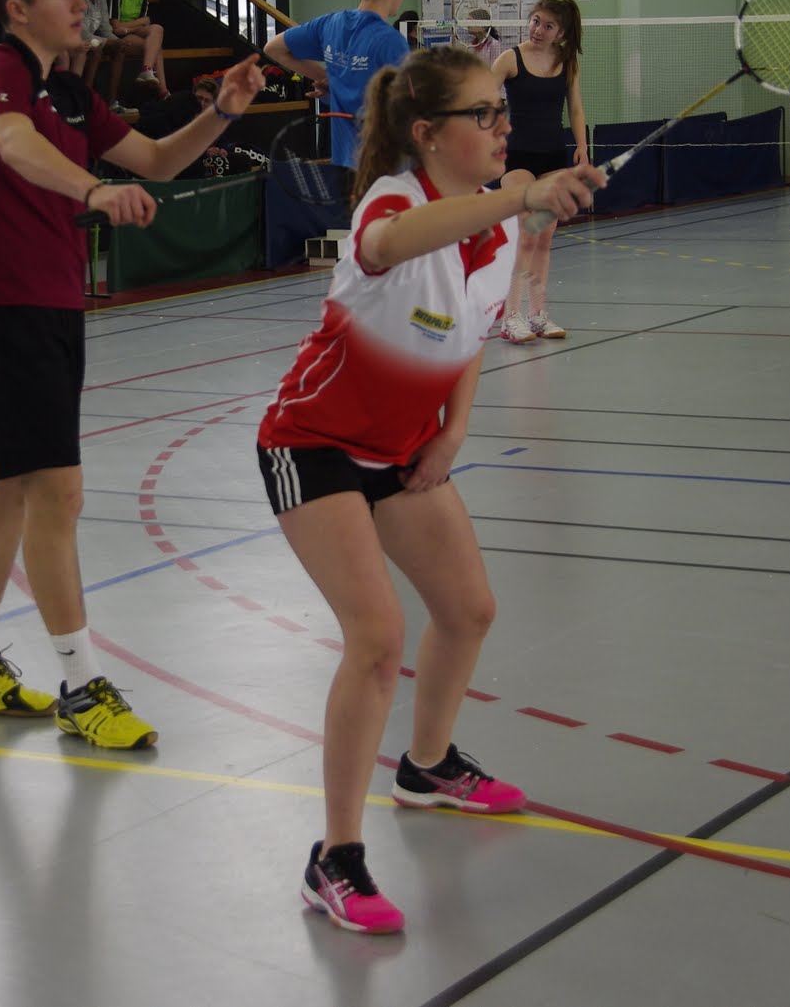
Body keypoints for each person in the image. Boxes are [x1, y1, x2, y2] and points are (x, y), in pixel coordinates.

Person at [255, 45, 604, 934]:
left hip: (405, 448)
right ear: (427, 133)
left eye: (502, 112)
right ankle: (334, 857)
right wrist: (520, 194)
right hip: (314, 444)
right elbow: (385, 245)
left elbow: (473, 330)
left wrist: (453, 431)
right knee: (377, 636)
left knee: (469, 608)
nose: (503, 126)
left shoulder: (495, 226)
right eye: (483, 113)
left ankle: (428, 764)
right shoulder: (393, 201)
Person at [0, 0, 264, 751]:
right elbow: (14, 146)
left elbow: (154, 159)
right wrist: (92, 189)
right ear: (18, 9)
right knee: (58, 492)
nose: (81, 2)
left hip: (53, 304)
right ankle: (81, 683)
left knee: (10, 484)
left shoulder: (72, 93)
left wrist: (222, 110)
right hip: (5, 307)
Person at [491, 0, 589, 342]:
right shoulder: (510, 58)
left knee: (545, 238)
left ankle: (537, 315)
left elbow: (575, 108)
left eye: (548, 26)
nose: (538, 30)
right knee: (526, 233)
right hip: (516, 157)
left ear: (560, 32)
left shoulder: (567, 62)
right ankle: (510, 317)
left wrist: (582, 147)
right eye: (535, 21)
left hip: (553, 156)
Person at [265, 0, 410, 169]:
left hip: (343, 165)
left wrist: (327, 77)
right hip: (383, 168)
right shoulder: (391, 42)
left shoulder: (329, 25)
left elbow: (273, 48)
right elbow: (409, 110)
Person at [101, 0, 166, 86]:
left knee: (157, 28)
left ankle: (146, 70)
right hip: (117, 36)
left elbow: (145, 22)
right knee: (156, 48)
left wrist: (127, 28)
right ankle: (162, 90)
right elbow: (115, 25)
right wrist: (135, 25)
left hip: (132, 32)